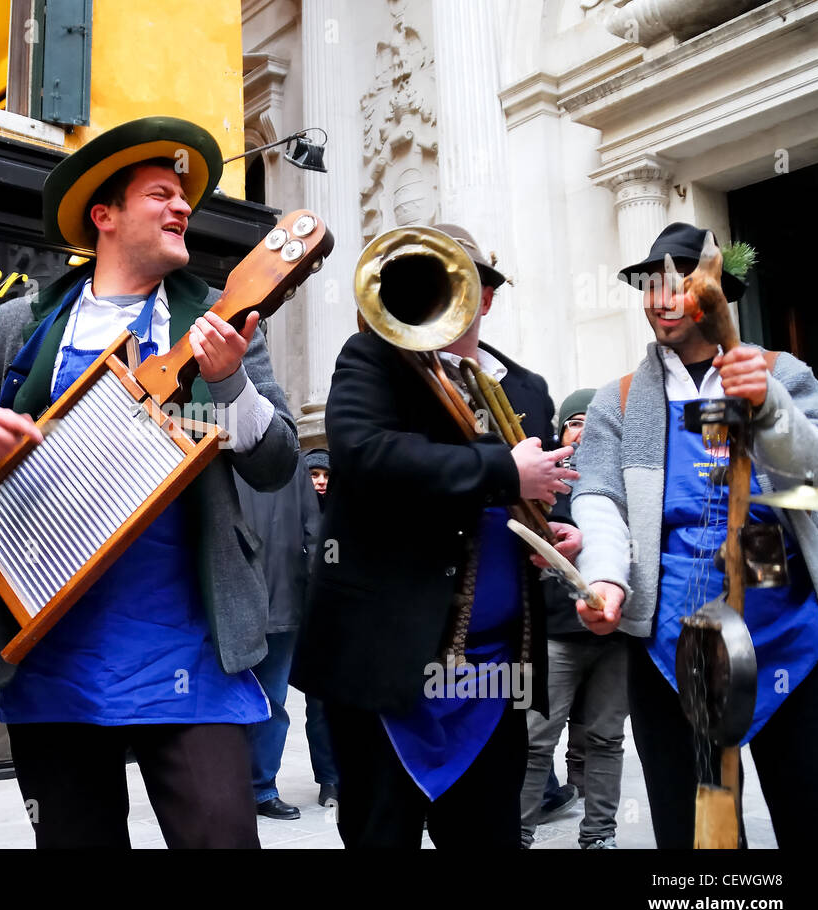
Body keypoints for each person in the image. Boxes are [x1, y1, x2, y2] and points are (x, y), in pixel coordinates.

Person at [0, 116, 298, 849]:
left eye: (186, 198)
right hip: (55, 646)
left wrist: (228, 387)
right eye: (161, 194)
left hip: (190, 647)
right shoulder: (21, 322)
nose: (183, 207)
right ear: (105, 216)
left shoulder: (222, 317)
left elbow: (277, 459)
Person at [294, 223, 581, 848]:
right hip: (388, 659)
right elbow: (365, 452)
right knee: (380, 834)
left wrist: (554, 532)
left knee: (488, 839)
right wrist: (505, 469)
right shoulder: (370, 358)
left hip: (494, 673)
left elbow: (544, 490)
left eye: (454, 283)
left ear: (486, 297)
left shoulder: (526, 386)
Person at [574, 221, 818, 849]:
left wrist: (771, 409)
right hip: (675, 646)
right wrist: (606, 577)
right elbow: (599, 497)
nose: (660, 298)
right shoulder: (620, 399)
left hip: (787, 637)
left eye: (678, 282)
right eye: (648, 284)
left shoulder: (783, 372)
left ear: (715, 291)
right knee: (702, 841)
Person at [519, 388, 630, 849]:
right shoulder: (547, 487)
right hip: (557, 635)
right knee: (534, 740)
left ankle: (599, 835)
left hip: (615, 637)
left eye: (591, 423)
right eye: (574, 422)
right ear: (560, 433)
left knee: (605, 738)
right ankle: (517, 832)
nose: (582, 432)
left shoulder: (625, 485)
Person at [235, 450, 320, 820]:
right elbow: (314, 533)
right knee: (262, 703)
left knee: (269, 702)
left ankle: (259, 787)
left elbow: (314, 532)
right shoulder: (217, 455)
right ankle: (251, 788)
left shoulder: (292, 462)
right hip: (244, 601)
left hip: (274, 600)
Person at [301, 447, 339, 807]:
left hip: (347, 621)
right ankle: (329, 779)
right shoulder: (293, 513)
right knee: (320, 704)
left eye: (325, 475)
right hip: (310, 622)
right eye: (314, 475)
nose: (321, 481)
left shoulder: (345, 515)